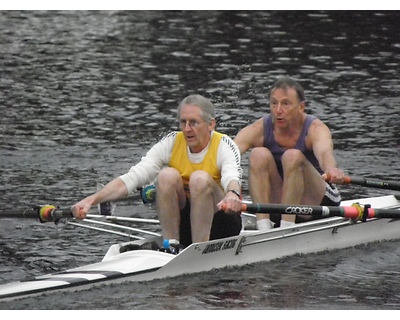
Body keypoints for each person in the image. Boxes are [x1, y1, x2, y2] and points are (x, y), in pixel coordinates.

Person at [72, 94, 243, 248]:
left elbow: (231, 177)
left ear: (211, 124)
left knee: (199, 179)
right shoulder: (171, 142)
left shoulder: (224, 144)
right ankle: (171, 246)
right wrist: (92, 200)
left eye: (194, 122)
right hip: (186, 225)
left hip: (222, 224)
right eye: (183, 122)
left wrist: (233, 194)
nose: (187, 129)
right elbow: (134, 177)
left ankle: (199, 249)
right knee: (166, 176)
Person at [233, 76, 344, 230]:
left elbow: (325, 153)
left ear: (301, 107)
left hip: (317, 202)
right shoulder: (259, 128)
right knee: (257, 154)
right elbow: (230, 154)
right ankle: (264, 227)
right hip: (281, 202)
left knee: (292, 156)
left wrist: (331, 169)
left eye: (285, 104)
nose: (278, 110)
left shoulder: (315, 128)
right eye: (274, 103)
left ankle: (286, 226)